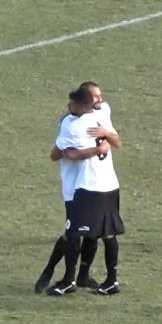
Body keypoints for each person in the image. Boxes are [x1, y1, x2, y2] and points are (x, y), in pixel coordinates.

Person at [34, 82, 121, 293]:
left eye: (100, 96)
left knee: (75, 233)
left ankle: (68, 278)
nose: (100, 100)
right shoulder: (98, 116)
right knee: (91, 233)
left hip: (85, 187)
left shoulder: (74, 124)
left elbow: (60, 155)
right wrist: (104, 140)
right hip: (97, 185)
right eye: (95, 97)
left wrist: (98, 144)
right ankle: (87, 278)